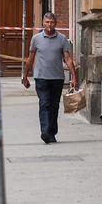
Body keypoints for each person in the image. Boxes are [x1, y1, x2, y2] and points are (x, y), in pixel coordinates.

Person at [21, 12, 78, 144]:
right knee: (44, 103)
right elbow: (30, 58)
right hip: (41, 77)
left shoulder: (62, 39)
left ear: (55, 24)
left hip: (57, 78)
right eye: (47, 22)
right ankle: (45, 132)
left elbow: (68, 59)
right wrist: (25, 76)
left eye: (52, 22)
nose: (49, 25)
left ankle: (52, 132)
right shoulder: (36, 39)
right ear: (43, 23)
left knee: (54, 106)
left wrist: (74, 77)